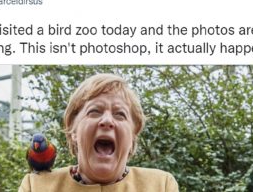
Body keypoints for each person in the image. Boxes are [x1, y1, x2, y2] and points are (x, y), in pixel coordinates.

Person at [19, 74, 179, 191]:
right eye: (94, 111)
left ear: (132, 135)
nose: (107, 120)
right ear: (73, 130)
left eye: (120, 114)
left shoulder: (161, 185)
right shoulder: (36, 186)